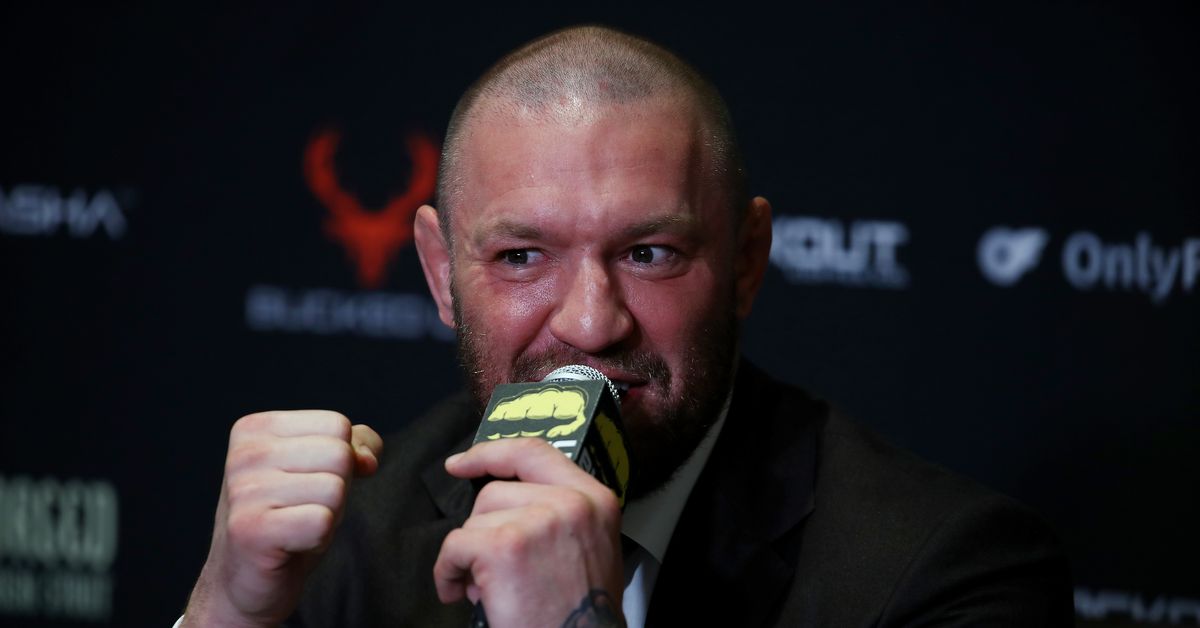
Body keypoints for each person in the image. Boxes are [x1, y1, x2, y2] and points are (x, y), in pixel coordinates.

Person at [180, 25, 1073, 627]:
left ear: (747, 261)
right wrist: (226, 611)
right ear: (441, 273)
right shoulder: (354, 537)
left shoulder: (945, 571)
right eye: (521, 256)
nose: (590, 322)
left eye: (648, 253)